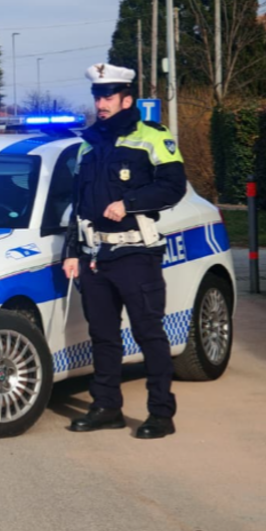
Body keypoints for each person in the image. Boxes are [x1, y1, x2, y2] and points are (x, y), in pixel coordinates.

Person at [63, 63, 187, 439]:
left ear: (126, 98)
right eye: (97, 97)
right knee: (103, 336)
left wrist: (129, 202)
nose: (101, 104)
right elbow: (78, 202)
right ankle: (106, 408)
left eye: (108, 97)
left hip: (136, 254)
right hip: (95, 257)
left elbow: (173, 187)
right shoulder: (89, 144)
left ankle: (161, 414)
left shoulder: (153, 137)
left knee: (149, 334)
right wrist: (72, 250)